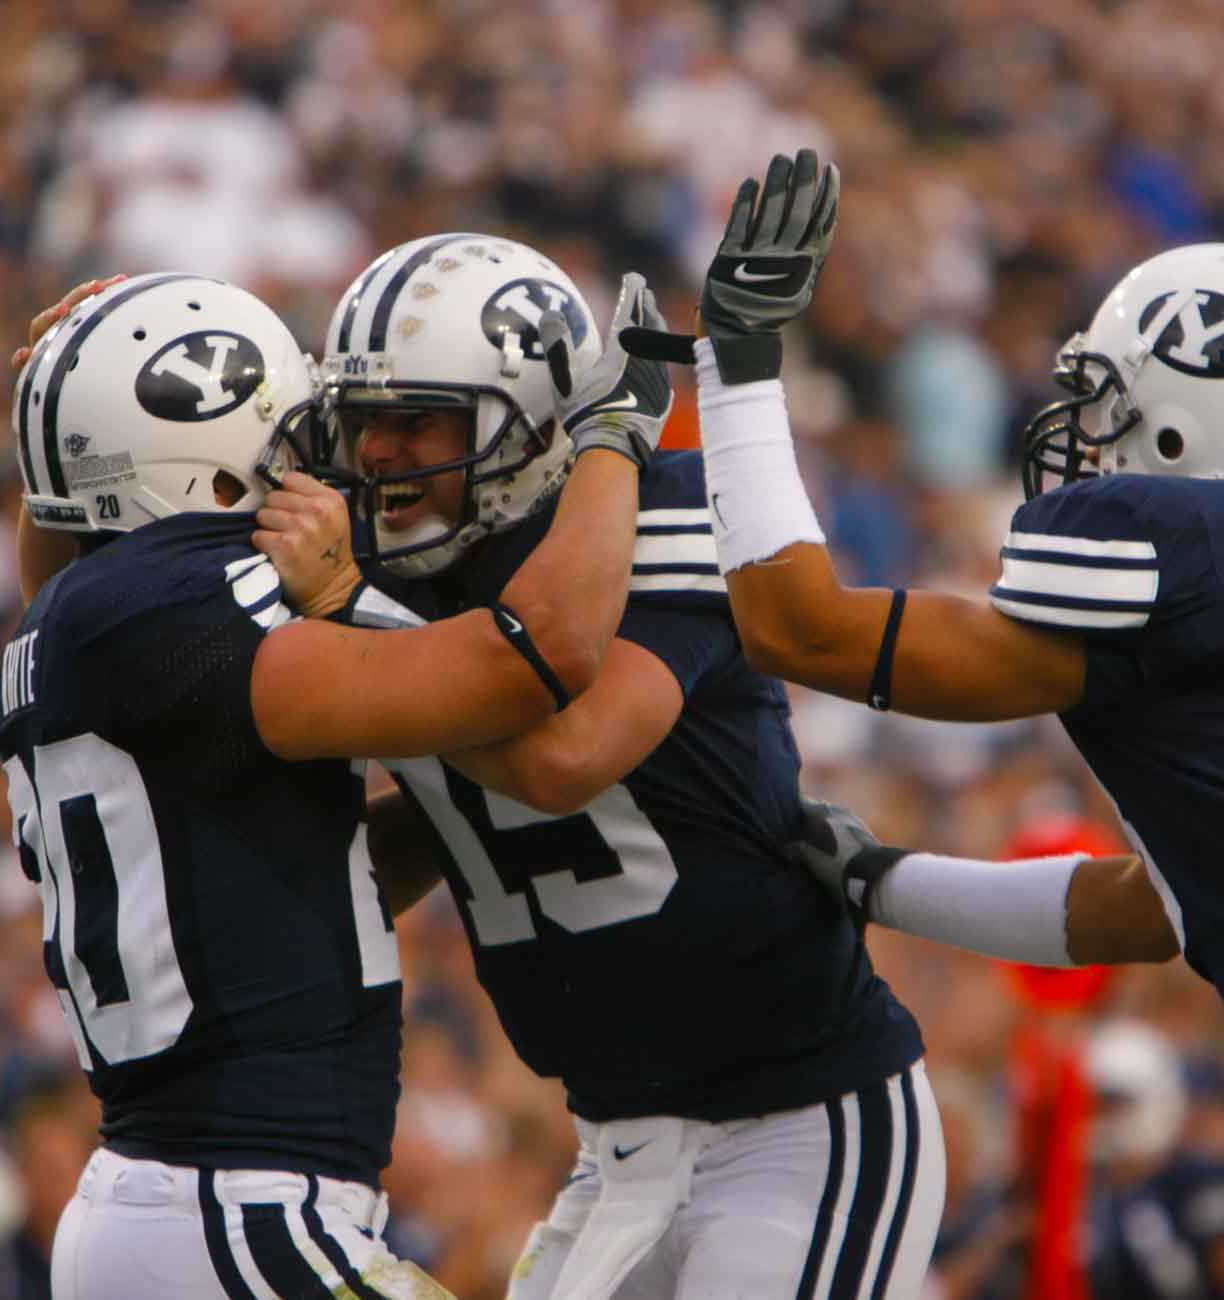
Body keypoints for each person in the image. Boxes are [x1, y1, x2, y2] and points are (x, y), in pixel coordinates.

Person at [659, 176, 1224, 1293]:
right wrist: (886, 880)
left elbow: (796, 626)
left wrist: (736, 365)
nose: (1078, 435)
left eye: (1107, 401)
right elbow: (1148, 907)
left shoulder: (1187, 544)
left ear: (1198, 410)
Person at [290, 219, 944, 1300]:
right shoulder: (388, 576)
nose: (379, 453)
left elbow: (563, 760)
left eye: (417, 418)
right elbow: (460, 802)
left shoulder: (659, 510)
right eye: (365, 421)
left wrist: (352, 618)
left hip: (800, 1123)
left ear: (537, 421)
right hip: (614, 1148)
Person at [0, 269, 671, 1299]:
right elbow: (539, 656)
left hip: (160, 1203)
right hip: (242, 1213)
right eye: (289, 443)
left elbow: (299, 865)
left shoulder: (75, 615)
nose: (324, 468)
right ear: (215, 468)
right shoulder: (194, 615)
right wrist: (617, 433)